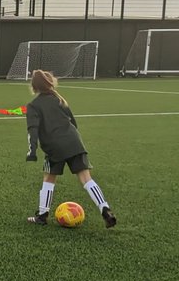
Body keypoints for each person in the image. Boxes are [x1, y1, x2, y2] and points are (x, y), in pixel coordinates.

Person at [24, 69, 117, 228]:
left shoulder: (33, 105)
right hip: (74, 142)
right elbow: (73, 123)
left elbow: (32, 129)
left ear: (34, 87)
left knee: (49, 179)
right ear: (50, 83)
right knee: (86, 179)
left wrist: (32, 150)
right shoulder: (59, 99)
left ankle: (42, 215)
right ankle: (105, 208)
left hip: (55, 147)